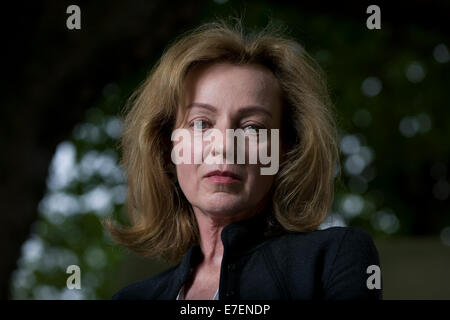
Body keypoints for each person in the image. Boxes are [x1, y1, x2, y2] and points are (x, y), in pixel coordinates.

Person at [105, 19, 382, 300]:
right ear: (167, 150)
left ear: (286, 151)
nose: (225, 146)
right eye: (201, 124)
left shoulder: (333, 258)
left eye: (253, 128)